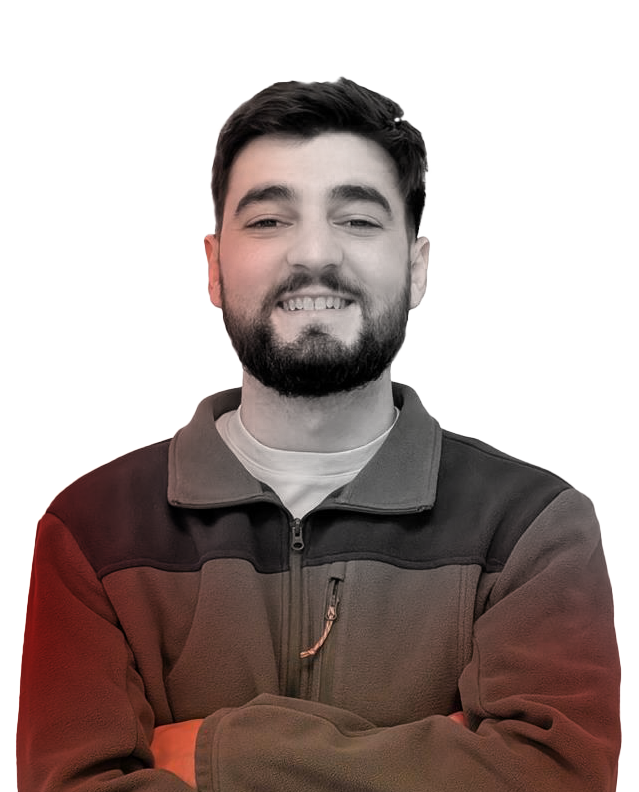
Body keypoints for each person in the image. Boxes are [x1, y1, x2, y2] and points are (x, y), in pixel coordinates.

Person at [18, 77, 622, 791]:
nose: (314, 254)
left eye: (357, 220)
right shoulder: (90, 531)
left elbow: (553, 776)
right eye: (269, 220)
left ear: (417, 267)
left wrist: (219, 754)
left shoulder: (534, 528)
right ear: (213, 268)